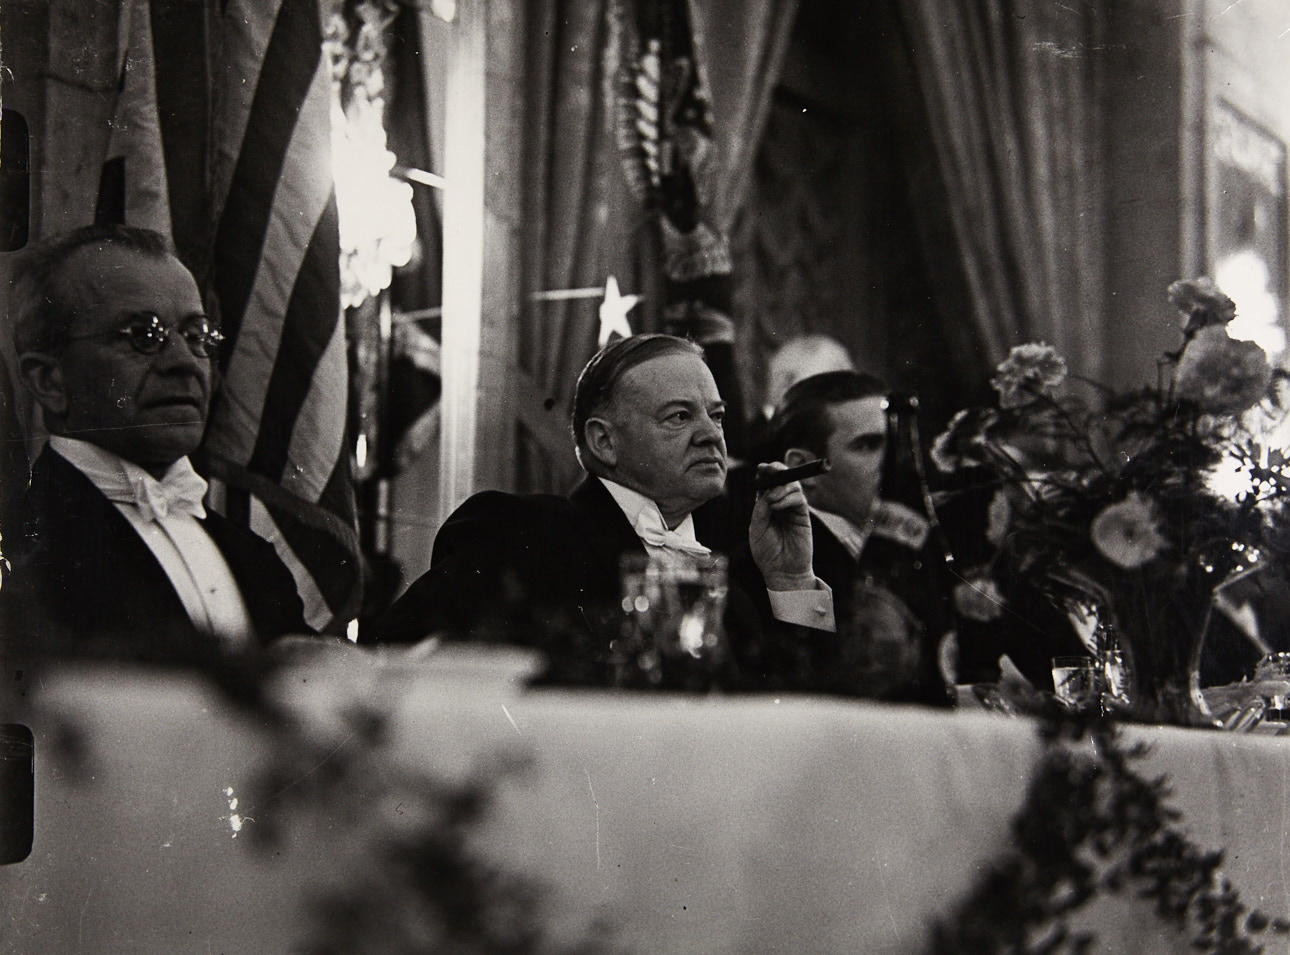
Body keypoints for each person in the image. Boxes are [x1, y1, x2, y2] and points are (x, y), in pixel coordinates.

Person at [367, 333, 835, 687]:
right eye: (679, 416)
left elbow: (809, 719)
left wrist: (791, 580)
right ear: (604, 442)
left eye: (715, 415)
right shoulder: (523, 534)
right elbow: (394, 661)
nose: (712, 435)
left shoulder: (734, 584)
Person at [0, 224, 309, 664]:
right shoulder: (20, 550)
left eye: (197, 335)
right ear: (50, 381)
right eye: (144, 335)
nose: (185, 362)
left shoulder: (254, 558)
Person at [767, 370, 953, 703]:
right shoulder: (778, 561)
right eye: (868, 445)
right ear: (804, 470)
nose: (893, 461)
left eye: (897, 444)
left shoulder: (919, 545)